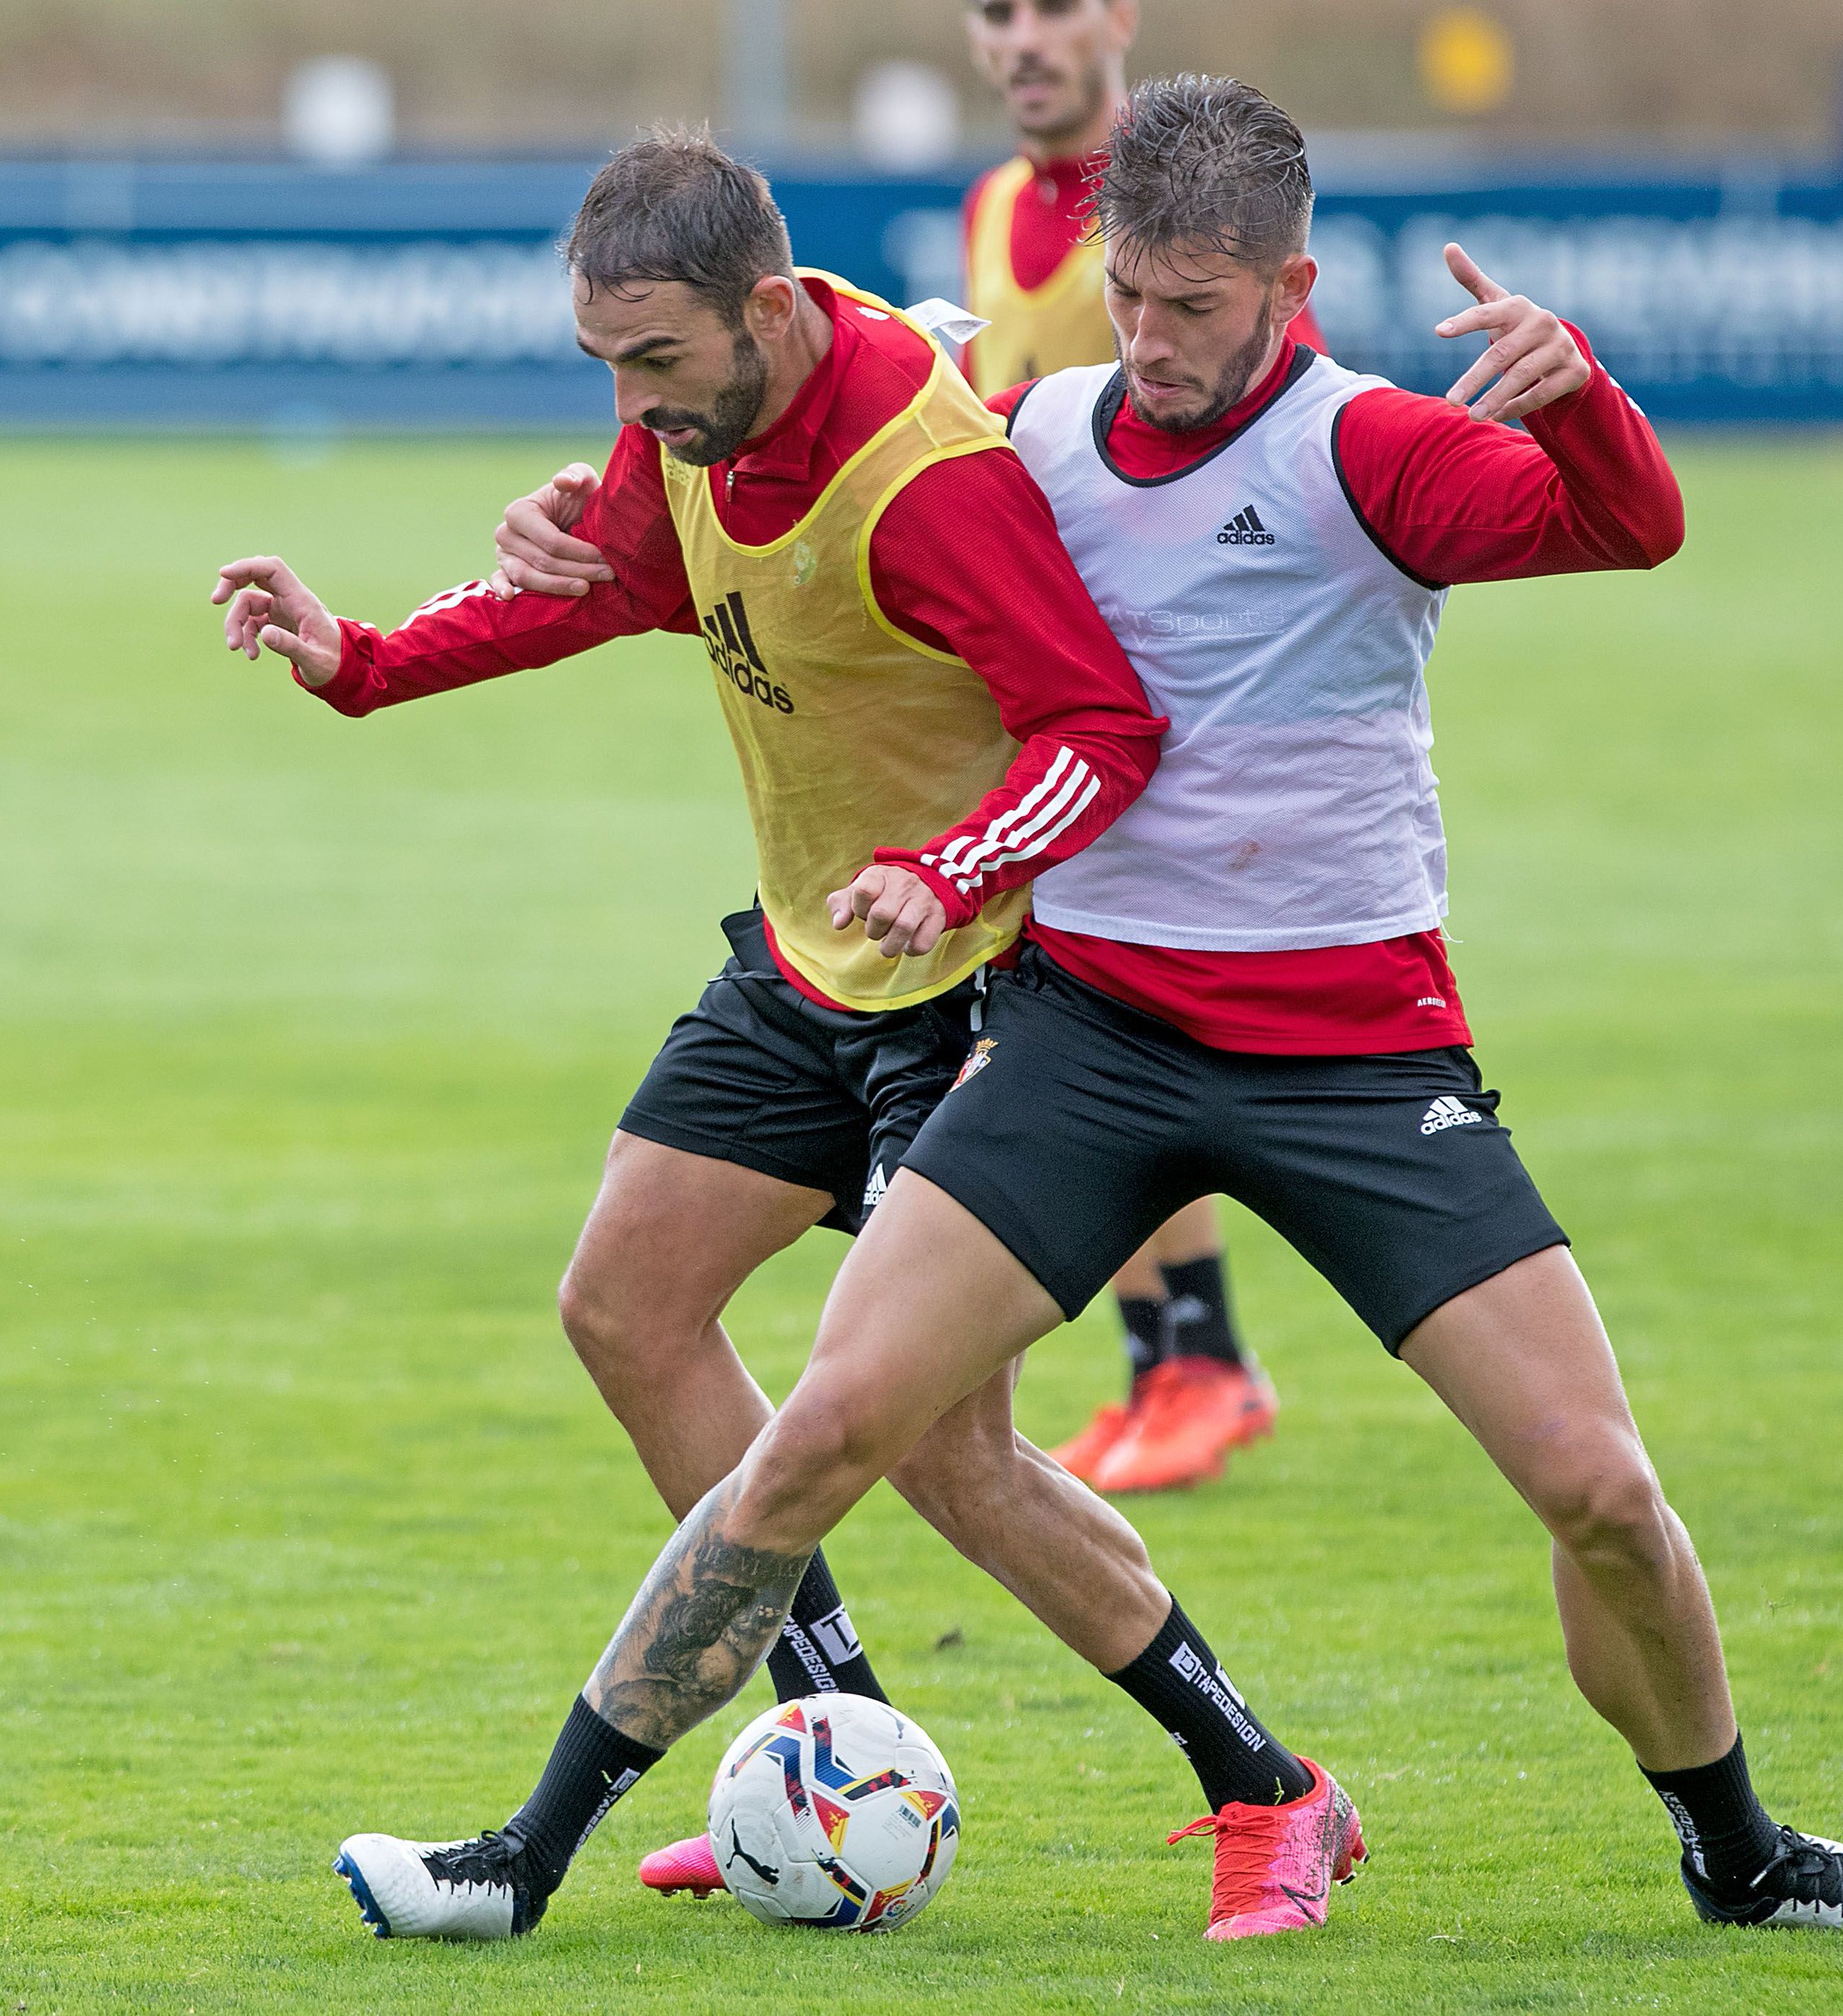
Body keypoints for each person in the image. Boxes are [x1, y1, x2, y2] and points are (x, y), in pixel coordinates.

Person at [348, 75, 1843, 1944]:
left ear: (1290, 288)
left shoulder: (1371, 449)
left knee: (1599, 1492)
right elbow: (813, 408)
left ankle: (1741, 1853)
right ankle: (522, 1854)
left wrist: (1582, 397)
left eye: (1194, 307)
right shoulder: (1033, 423)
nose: (1147, 344)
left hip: (1362, 1057)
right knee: (827, 1425)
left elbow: (1625, 531)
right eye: (1126, 295)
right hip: (1089, 1043)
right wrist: (581, 499)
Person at [218, 129, 1256, 1913]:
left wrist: (946, 867)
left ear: (763, 307)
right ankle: (829, 1738)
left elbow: (1098, 724)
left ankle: (1261, 1783)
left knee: (950, 1458)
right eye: (605, 367)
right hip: (803, 961)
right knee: (625, 1305)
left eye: (657, 363)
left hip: (972, 983)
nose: (633, 405)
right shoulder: (690, 420)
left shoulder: (924, 479)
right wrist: (362, 661)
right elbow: (613, 577)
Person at [963, 0, 1329, 1494]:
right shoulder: (999, 205)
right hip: (1021, 678)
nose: (1021, 40)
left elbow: (1280, 414)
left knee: (1093, 1031)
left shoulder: (1191, 205)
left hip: (1145, 700)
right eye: (993, 12)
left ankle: (1199, 1357)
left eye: (1051, 7)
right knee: (1053, 1021)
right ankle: (1158, 1359)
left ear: (1114, 16)